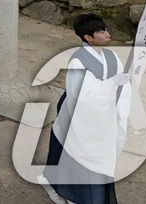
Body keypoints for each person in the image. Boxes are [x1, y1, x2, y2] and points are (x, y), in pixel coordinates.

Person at [39, 13, 132, 204]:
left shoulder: (111, 56)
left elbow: (122, 85)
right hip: (78, 113)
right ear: (88, 37)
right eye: (101, 31)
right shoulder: (78, 60)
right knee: (74, 154)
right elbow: (81, 94)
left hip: (102, 115)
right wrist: (111, 84)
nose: (107, 34)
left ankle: (60, 186)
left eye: (106, 29)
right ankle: (68, 192)